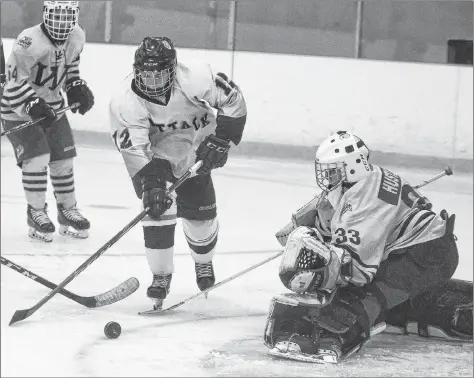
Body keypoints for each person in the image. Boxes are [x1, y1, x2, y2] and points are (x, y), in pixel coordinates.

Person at [265, 131, 472, 363]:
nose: (328, 176)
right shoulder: (363, 180)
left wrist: (321, 269)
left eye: (333, 169)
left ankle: (328, 337)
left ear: (351, 166)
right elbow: (335, 210)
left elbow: (356, 271)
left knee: (361, 295)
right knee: (389, 299)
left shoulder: (366, 203)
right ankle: (443, 308)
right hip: (424, 250)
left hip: (425, 256)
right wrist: (306, 221)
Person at [109, 36, 247, 310]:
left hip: (197, 150)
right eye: (147, 74)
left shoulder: (196, 76)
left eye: (160, 73)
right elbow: (135, 149)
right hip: (157, 157)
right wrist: (151, 185)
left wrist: (221, 140)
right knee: (155, 211)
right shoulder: (124, 101)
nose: (153, 81)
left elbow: (233, 100)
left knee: (201, 218)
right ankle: (160, 274)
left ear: (173, 68)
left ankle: (204, 263)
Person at [0, 1, 94, 242]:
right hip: (17, 109)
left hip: (53, 108)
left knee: (63, 159)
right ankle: (36, 212)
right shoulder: (28, 41)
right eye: (57, 15)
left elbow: (70, 66)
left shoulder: (77, 36)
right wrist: (31, 104)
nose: (62, 22)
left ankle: (68, 209)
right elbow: (12, 84)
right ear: (45, 14)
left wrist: (74, 86)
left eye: (67, 15)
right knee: (38, 158)